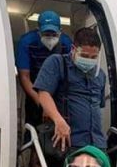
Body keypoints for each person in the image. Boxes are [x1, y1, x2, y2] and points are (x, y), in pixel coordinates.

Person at [15, 10, 73, 167]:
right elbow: (24, 76)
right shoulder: (27, 42)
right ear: (38, 30)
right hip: (35, 96)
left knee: (61, 147)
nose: (50, 38)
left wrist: (55, 109)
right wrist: (42, 104)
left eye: (53, 34)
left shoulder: (66, 43)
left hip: (58, 98)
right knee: (38, 144)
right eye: (46, 34)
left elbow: (68, 75)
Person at [34, 26, 108, 157]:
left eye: (93, 57)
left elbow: (99, 106)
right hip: (68, 141)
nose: (89, 60)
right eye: (85, 56)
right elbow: (43, 94)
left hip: (97, 144)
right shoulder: (57, 63)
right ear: (73, 49)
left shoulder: (100, 75)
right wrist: (58, 120)